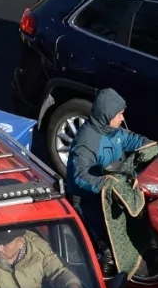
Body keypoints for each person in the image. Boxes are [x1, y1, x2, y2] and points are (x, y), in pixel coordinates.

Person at [65, 88, 152, 274]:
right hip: (90, 199)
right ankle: (105, 276)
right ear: (107, 115)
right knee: (108, 242)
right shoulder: (87, 142)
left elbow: (133, 141)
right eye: (119, 115)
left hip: (115, 190)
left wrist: (153, 148)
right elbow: (80, 176)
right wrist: (105, 183)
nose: (122, 118)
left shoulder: (114, 131)